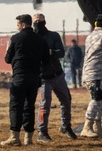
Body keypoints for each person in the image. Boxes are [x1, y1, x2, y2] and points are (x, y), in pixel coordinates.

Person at [1, 14, 50, 147]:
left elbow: (7, 59)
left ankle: (14, 137)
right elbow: (46, 60)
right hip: (34, 78)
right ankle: (28, 138)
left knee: (16, 106)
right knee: (29, 107)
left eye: (18, 25)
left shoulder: (16, 38)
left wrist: (8, 52)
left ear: (23, 25)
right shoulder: (40, 40)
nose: (17, 28)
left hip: (19, 77)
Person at [33, 13, 77, 142]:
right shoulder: (33, 38)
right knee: (44, 105)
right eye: (35, 22)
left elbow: (62, 52)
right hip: (43, 77)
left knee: (66, 100)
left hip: (57, 74)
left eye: (39, 21)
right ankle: (42, 131)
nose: (37, 24)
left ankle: (66, 126)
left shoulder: (53, 35)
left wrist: (51, 52)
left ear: (44, 22)